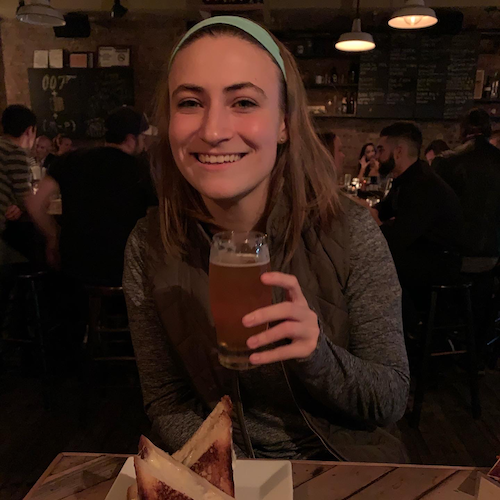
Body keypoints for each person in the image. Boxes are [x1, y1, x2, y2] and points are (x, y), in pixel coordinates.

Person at [123, 17, 409, 464]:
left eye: (243, 101)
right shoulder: (149, 244)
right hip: (224, 468)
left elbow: (391, 399)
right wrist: (232, 470)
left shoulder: (351, 231)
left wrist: (318, 356)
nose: (213, 130)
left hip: (341, 463)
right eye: (191, 102)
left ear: (284, 124)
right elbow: (165, 400)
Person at [26, 106, 155, 286]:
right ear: (131, 139)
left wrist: (52, 238)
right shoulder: (142, 169)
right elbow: (159, 215)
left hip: (74, 266)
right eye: (142, 138)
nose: (144, 144)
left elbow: (34, 203)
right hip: (124, 270)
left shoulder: (69, 159)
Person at [434, 109, 500, 367]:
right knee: (484, 294)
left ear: (462, 131)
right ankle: (478, 355)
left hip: (452, 261)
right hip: (492, 259)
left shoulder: (446, 161)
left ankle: (437, 347)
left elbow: (435, 213)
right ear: (489, 130)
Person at [372, 123, 462, 289]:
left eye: (381, 150)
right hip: (422, 255)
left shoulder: (423, 185)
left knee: (372, 266)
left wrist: (374, 219)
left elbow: (395, 241)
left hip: (438, 264)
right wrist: (371, 212)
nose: (376, 156)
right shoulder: (407, 179)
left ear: (399, 151)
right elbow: (384, 208)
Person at [0, 105, 37, 263]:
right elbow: (26, 198)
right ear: (29, 131)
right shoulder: (15, 152)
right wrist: (21, 204)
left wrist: (16, 204)